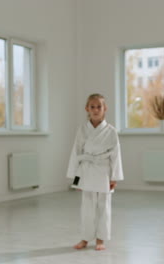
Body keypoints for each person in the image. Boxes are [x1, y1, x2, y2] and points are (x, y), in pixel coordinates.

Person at [67, 93, 124, 251]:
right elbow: (76, 152)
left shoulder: (111, 131)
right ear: (87, 109)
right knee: (86, 207)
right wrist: (75, 179)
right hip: (86, 171)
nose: (96, 109)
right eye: (92, 106)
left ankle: (101, 239)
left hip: (103, 172)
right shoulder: (82, 129)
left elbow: (116, 155)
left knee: (103, 206)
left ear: (105, 109)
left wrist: (114, 177)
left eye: (99, 106)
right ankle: (85, 238)